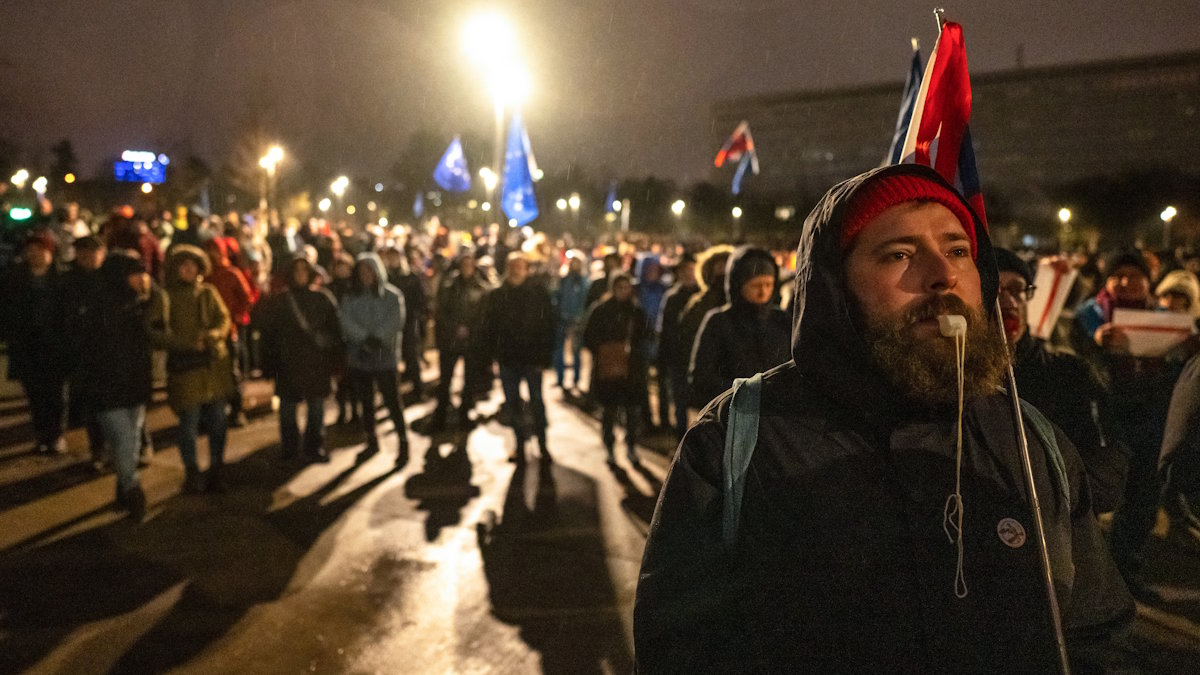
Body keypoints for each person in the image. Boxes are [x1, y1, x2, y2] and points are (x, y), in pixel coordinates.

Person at [635, 165, 1135, 671]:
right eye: (899, 254)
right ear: (836, 286)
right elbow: (679, 649)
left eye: (958, 250)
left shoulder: (1029, 440)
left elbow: (1093, 632)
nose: (943, 274)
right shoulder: (741, 439)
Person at [1072, 250, 1181, 598]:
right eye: (1119, 274)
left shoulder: (1166, 317)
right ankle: (1086, 573)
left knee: (1143, 496)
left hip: (1152, 416)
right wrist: (1097, 342)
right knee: (1097, 496)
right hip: (1106, 417)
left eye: (1135, 275)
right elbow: (1075, 349)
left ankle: (1124, 571)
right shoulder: (1089, 314)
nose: (1127, 282)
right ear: (1107, 280)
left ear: (1148, 282)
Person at [994, 248, 1127, 513]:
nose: (1009, 301)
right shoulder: (957, 381)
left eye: (1018, 289)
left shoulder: (1070, 373)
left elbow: (1105, 476)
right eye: (995, 291)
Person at [79, 251, 164, 521]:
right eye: (135, 273)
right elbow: (87, 350)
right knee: (125, 439)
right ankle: (133, 490)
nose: (142, 278)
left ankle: (122, 488)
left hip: (133, 385)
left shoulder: (140, 303)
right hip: (107, 388)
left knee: (132, 438)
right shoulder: (98, 307)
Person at [162, 245, 236, 494]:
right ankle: (192, 471)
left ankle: (217, 468)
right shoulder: (167, 296)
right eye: (183, 265)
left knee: (218, 421)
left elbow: (224, 319)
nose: (189, 269)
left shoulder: (208, 292)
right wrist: (186, 343)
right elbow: (159, 331)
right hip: (186, 369)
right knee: (189, 423)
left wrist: (213, 336)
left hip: (213, 367)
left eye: (193, 265)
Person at [260, 256, 343, 463]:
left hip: (316, 364)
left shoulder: (323, 299)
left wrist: (336, 361)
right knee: (288, 410)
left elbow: (335, 332)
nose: (300, 274)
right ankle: (290, 449)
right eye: (296, 270)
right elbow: (269, 335)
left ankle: (314, 447)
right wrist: (269, 365)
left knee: (316, 409)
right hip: (288, 365)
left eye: (304, 270)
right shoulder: (280, 302)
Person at [687, 245, 791, 409]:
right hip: (732, 418)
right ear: (738, 285)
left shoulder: (781, 319)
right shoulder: (719, 322)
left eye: (768, 284)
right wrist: (748, 393)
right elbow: (702, 379)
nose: (763, 292)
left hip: (777, 417)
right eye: (756, 285)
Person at [481, 252, 555, 463]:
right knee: (512, 404)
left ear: (526, 268)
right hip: (508, 359)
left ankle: (542, 445)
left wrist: (544, 357)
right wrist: (491, 357)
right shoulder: (498, 295)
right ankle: (520, 446)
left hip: (532, 359)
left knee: (537, 402)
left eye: (519, 266)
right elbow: (489, 328)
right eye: (512, 266)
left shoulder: (538, 293)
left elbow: (548, 325)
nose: (516, 270)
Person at [0, 231, 68, 455]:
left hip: (55, 345)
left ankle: (56, 435)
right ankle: (41, 435)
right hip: (28, 346)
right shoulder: (15, 277)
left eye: (39, 250)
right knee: (35, 394)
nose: (34, 255)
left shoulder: (62, 278)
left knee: (55, 394)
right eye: (30, 250)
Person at [341, 252, 411, 466]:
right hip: (360, 356)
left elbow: (395, 321)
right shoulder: (351, 298)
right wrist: (363, 339)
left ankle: (402, 440)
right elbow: (345, 320)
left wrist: (377, 339)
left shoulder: (392, 296)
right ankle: (371, 439)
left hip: (384, 355)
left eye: (369, 270)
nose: (365, 275)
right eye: (362, 271)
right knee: (366, 401)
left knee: (392, 401)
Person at [582, 273, 649, 466]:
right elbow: (588, 337)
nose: (624, 291)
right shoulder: (601, 311)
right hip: (608, 370)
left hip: (632, 370)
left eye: (627, 287)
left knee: (631, 413)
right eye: (620, 287)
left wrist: (633, 351)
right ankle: (609, 448)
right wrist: (606, 350)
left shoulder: (636, 311)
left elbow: (646, 336)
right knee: (609, 411)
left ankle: (631, 447)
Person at [61, 235, 108, 467]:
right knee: (92, 405)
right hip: (82, 355)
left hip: (109, 352)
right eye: (83, 253)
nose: (88, 257)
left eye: (93, 252)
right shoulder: (68, 281)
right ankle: (98, 449)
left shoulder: (111, 279)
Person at [432, 253, 493, 429]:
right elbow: (441, 311)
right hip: (450, 341)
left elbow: (483, 315)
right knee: (445, 380)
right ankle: (440, 415)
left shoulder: (481, 287)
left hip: (471, 342)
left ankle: (464, 413)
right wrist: (455, 327)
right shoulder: (449, 285)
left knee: (469, 380)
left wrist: (470, 329)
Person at [204, 237, 255, 428]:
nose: (212, 255)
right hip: (209, 334)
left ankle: (236, 409)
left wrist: (236, 317)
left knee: (232, 372)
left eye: (215, 250)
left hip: (230, 332)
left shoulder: (232, 274)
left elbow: (247, 298)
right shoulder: (204, 276)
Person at [656, 253, 699, 439]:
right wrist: (663, 357)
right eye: (685, 270)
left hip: (699, 357)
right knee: (679, 402)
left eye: (691, 270)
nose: (688, 274)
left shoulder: (703, 297)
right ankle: (681, 437)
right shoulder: (672, 298)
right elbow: (665, 330)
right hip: (678, 358)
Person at [552, 251, 590, 392]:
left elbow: (585, 301)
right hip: (562, 318)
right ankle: (560, 378)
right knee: (559, 350)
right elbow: (557, 297)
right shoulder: (563, 280)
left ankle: (576, 380)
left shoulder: (584, 281)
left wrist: (580, 318)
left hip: (577, 321)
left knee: (576, 351)